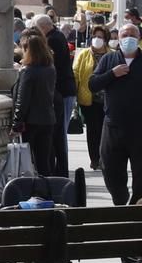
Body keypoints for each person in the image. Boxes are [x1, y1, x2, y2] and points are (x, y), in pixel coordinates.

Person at [91, 24, 142, 207]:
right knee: (110, 169)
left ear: (139, 38)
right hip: (113, 126)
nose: (128, 38)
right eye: (124, 35)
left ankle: (138, 210)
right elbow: (93, 84)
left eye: (132, 35)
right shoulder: (108, 59)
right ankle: (120, 199)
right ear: (118, 39)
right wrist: (112, 74)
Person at [11, 32, 59, 177]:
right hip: (47, 119)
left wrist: (16, 123)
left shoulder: (28, 71)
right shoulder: (50, 68)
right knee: (43, 161)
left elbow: (22, 99)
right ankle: (47, 191)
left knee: (27, 161)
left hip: (31, 121)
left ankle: (34, 191)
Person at [33, 15, 75, 176]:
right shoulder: (57, 36)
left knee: (59, 135)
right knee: (59, 134)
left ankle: (61, 169)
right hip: (64, 90)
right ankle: (61, 168)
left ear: (43, 27)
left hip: (62, 91)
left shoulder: (53, 40)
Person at [72, 27, 109, 172]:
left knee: (106, 131)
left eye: (101, 37)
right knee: (93, 131)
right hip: (89, 100)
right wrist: (74, 95)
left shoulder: (112, 55)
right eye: (95, 36)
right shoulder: (83, 54)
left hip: (108, 100)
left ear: (105, 40)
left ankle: (104, 158)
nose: (97, 39)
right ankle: (94, 159)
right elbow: (75, 73)